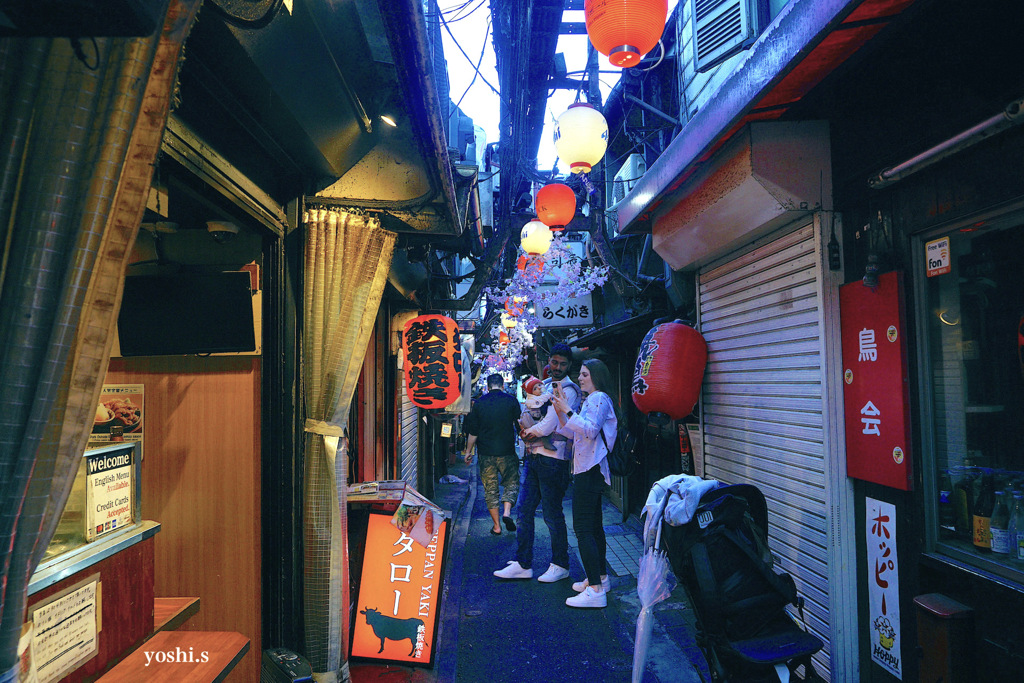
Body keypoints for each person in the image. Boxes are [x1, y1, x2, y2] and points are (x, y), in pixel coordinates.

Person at [495, 344, 580, 582]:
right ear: (548, 361)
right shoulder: (547, 388)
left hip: (554, 460)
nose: (558, 368)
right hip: (534, 457)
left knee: (552, 515)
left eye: (563, 364)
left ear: (569, 366)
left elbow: (550, 425)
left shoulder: (569, 391)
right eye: (555, 362)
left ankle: (560, 564)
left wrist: (527, 433)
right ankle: (523, 563)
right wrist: (528, 434)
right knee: (524, 510)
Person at [551, 358, 617, 608]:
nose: (580, 378)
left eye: (585, 374)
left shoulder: (599, 398)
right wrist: (562, 412)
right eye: (580, 374)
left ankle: (596, 589)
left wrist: (567, 410)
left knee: (583, 528)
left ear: (597, 377)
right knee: (594, 526)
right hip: (587, 468)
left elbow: (589, 430)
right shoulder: (593, 399)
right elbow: (575, 431)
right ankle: (598, 578)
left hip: (590, 469)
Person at [464, 373, 522, 535]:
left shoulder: (480, 404)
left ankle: (496, 526)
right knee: (511, 482)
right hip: (507, 451)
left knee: (490, 489)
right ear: (502, 385)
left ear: (487, 387)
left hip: (486, 453)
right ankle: (507, 512)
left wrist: (468, 452)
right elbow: (520, 425)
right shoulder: (511, 401)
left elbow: (473, 432)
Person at [519, 376, 556, 457]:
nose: (539, 388)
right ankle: (546, 442)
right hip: (536, 420)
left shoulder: (545, 394)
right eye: (535, 389)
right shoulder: (532, 401)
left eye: (539, 385)